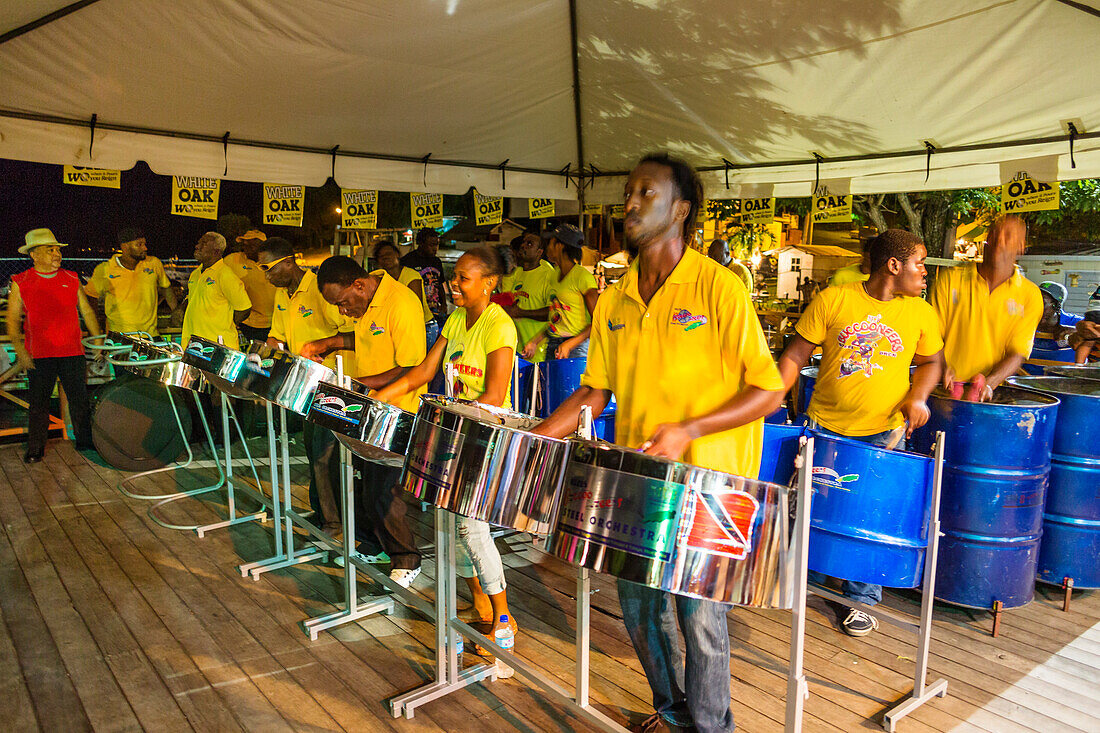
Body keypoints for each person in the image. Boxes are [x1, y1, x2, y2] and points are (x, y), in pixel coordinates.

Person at [533, 154, 785, 733]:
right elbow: (595, 392)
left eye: (645, 192)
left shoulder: (719, 288)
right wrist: (531, 440)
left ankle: (710, 725)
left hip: (710, 487)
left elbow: (769, 390)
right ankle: (671, 710)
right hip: (639, 480)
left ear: (680, 209)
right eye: (627, 192)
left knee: (700, 618)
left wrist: (691, 430)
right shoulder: (616, 298)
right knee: (638, 605)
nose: (629, 203)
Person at [777, 229, 944, 637]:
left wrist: (918, 397)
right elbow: (797, 354)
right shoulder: (835, 299)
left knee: (869, 512)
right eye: (919, 263)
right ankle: (798, 579)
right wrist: (772, 397)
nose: (924, 273)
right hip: (823, 427)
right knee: (808, 507)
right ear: (894, 265)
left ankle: (860, 599)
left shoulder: (920, 311)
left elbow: (932, 363)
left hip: (882, 433)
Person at [375, 248, 518, 637]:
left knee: (472, 530)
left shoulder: (499, 325)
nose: (454, 284)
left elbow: (494, 394)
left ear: (489, 283)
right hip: (455, 433)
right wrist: (383, 397)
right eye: (454, 276)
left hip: (485, 437)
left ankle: (504, 619)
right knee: (452, 527)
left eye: (464, 278)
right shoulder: (455, 318)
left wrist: (451, 412)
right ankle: (482, 605)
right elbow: (423, 370)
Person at [306, 256, 428, 587]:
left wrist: (357, 386)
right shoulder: (368, 304)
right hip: (370, 407)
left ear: (359, 285)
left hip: (399, 410)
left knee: (383, 491)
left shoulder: (400, 302)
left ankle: (407, 558)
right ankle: (375, 546)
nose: (343, 312)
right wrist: (328, 343)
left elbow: (409, 368)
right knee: (360, 482)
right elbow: (366, 339)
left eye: (343, 303)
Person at [258, 238, 353, 535]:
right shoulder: (281, 294)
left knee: (326, 455)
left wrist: (324, 345)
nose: (265, 275)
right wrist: (262, 354)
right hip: (307, 385)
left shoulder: (319, 289)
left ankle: (337, 522)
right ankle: (323, 513)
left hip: (334, 385)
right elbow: (277, 336)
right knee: (313, 452)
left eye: (268, 267)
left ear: (288, 262)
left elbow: (350, 332)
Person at [8, 228, 101, 463]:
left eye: (57, 249)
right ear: (34, 255)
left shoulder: (71, 278)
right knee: (38, 405)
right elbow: (12, 320)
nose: (56, 253)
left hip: (72, 352)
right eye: (50, 250)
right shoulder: (21, 282)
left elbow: (87, 311)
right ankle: (36, 448)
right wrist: (21, 352)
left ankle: (85, 441)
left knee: (79, 400)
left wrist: (98, 339)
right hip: (39, 354)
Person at [930, 216, 1042, 401]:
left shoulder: (1030, 295)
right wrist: (943, 367)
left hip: (993, 396)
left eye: (1008, 235)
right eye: (994, 234)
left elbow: (1018, 352)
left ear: (1021, 247)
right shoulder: (950, 279)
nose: (999, 240)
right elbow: (932, 335)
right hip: (944, 391)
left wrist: (989, 382)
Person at [522, 223, 598, 360]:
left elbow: (598, 320)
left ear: (560, 246)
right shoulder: (554, 275)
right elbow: (556, 319)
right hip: (554, 344)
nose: (547, 248)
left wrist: (570, 344)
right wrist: (535, 341)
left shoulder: (583, 277)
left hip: (577, 348)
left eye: (551, 243)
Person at [84, 227, 177, 335]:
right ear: (125, 247)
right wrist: (95, 330)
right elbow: (91, 297)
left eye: (144, 244)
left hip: (149, 335)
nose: (145, 248)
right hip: (119, 336)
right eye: (139, 244)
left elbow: (165, 288)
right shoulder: (105, 269)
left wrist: (176, 311)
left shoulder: (154, 263)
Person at [181, 232, 252, 349]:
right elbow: (193, 298)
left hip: (217, 346)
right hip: (194, 345)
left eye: (203, 244)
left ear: (216, 251)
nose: (197, 246)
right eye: (199, 243)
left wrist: (226, 323)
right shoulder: (195, 274)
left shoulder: (225, 275)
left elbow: (244, 308)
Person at [500, 231, 555, 361]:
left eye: (529, 244)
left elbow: (553, 312)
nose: (523, 246)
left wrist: (521, 313)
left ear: (539, 252)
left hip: (538, 351)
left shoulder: (548, 274)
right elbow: (506, 301)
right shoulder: (516, 273)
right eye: (524, 242)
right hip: (517, 350)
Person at [224, 229, 277, 344]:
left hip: (275, 324)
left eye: (252, 242)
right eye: (245, 242)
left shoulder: (274, 261)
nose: (247, 245)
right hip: (247, 323)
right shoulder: (232, 260)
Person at [373, 238, 435, 335]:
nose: (385, 258)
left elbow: (415, 308)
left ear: (397, 255)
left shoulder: (411, 275)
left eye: (388, 254)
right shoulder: (379, 279)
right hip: (398, 326)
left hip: (422, 326)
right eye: (381, 256)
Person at [400, 227, 448, 342]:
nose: (435, 249)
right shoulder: (408, 261)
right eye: (431, 245)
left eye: (436, 245)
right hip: (416, 314)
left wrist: (444, 304)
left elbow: (440, 283)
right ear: (421, 243)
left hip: (435, 312)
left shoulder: (436, 261)